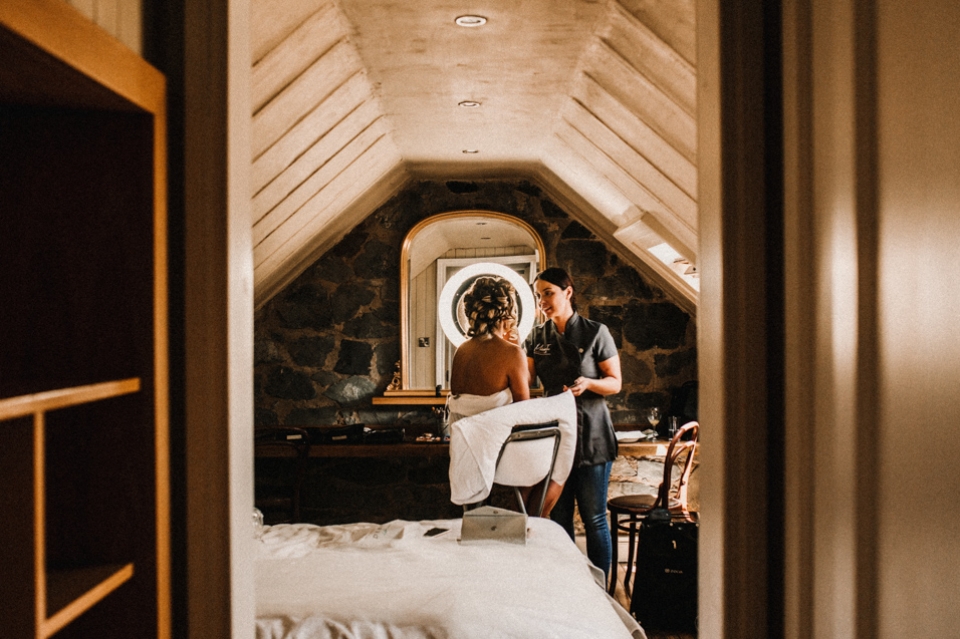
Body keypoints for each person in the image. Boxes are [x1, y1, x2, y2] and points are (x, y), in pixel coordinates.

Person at [525, 267, 622, 581]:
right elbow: (524, 384)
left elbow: (615, 383)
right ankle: (569, 586)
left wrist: (590, 384)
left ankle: (603, 591)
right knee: (559, 517)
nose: (543, 301)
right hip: (555, 436)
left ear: (568, 292)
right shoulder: (536, 338)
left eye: (548, 293)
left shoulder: (596, 332)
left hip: (592, 433)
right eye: (539, 295)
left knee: (594, 519)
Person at [447, 275, 567, 516]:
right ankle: (530, 524)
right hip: (500, 455)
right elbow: (523, 410)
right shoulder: (512, 353)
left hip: (465, 452)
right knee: (559, 464)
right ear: (507, 314)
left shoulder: (461, 351)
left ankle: (519, 519)